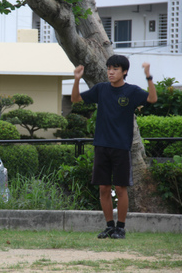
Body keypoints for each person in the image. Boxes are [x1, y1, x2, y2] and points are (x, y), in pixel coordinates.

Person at [71, 55, 157, 239]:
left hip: (121, 147)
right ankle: (109, 226)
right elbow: (76, 99)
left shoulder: (132, 91)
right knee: (103, 188)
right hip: (101, 145)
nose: (111, 72)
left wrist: (148, 76)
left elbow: (152, 99)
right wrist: (77, 79)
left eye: (115, 69)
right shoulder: (101, 89)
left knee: (120, 188)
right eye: (109, 68)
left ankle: (121, 228)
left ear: (124, 71)